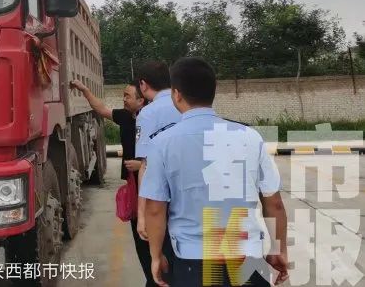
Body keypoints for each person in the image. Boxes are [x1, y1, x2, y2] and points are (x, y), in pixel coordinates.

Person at [140, 57, 289, 287]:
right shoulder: (250, 137)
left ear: (176, 94)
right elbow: (274, 203)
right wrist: (279, 249)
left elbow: (155, 208)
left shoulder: (162, 143)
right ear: (213, 91)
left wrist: (156, 255)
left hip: (192, 261)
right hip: (245, 258)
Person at [69, 79, 154, 285]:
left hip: (150, 187)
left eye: (127, 96)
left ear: (141, 101)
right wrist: (85, 90)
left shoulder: (152, 119)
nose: (123, 99)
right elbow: (101, 109)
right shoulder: (125, 117)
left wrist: (143, 164)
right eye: (124, 95)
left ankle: (155, 276)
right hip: (133, 185)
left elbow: (164, 151)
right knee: (138, 234)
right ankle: (150, 277)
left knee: (151, 233)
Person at [134, 61, 181, 240]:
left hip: (163, 198)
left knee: (163, 249)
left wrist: (142, 215)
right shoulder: (185, 103)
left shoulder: (147, 113)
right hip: (193, 193)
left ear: (143, 84)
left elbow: (146, 166)